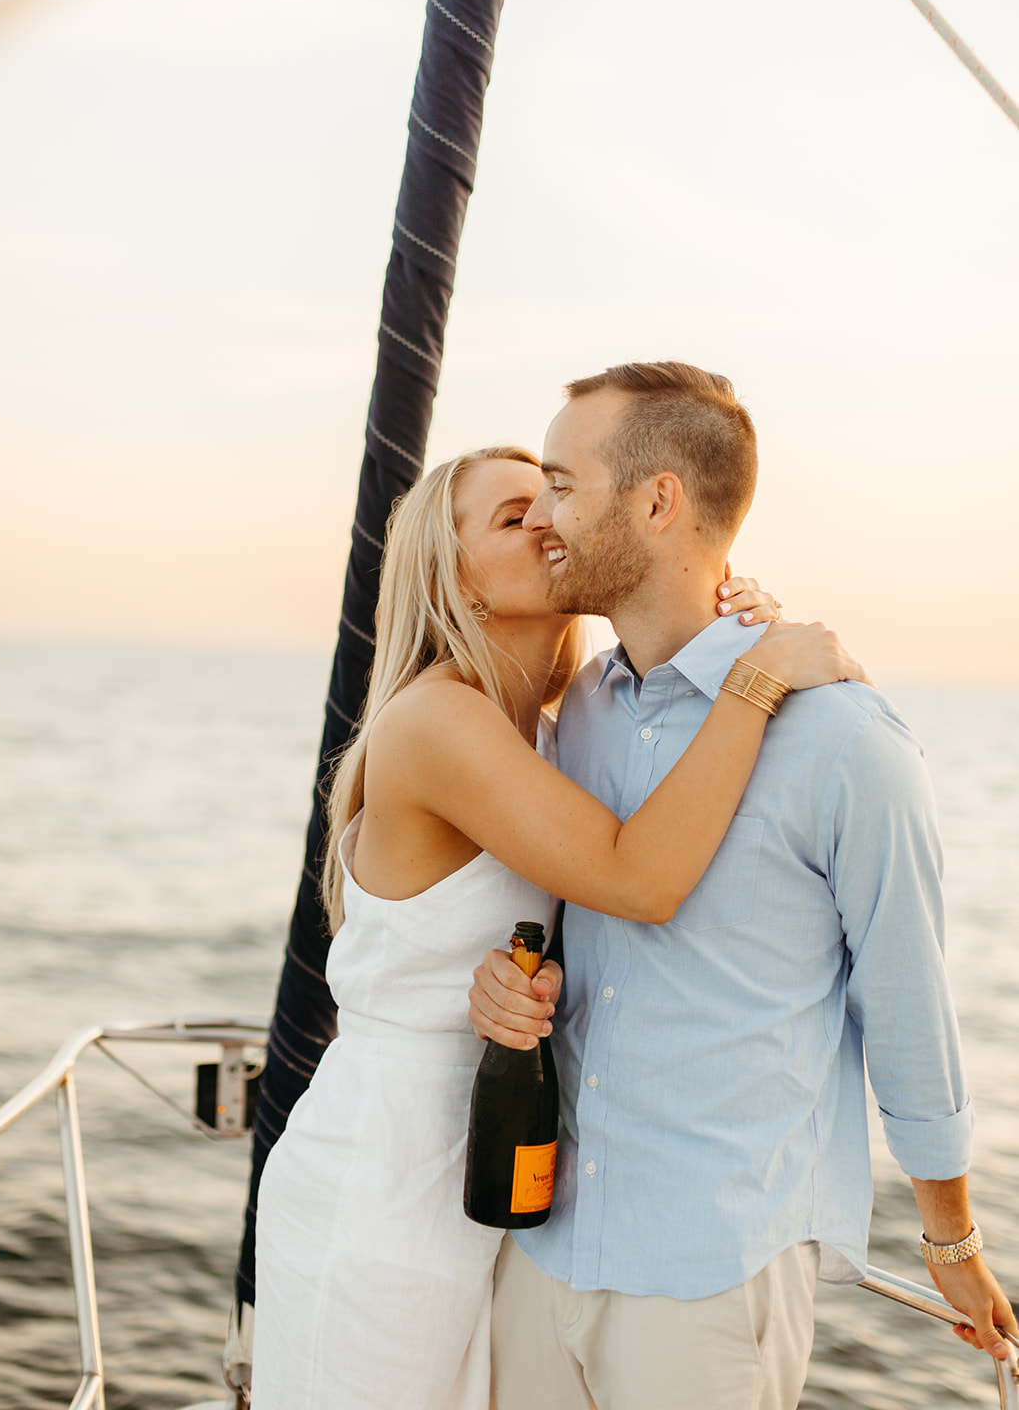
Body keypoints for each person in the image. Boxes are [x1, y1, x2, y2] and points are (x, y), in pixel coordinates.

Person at [249, 442, 864, 1410]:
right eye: (507, 516)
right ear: (446, 572)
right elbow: (638, 879)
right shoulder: (434, 722)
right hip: (385, 1173)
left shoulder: (557, 727)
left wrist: (729, 627)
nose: (547, 521)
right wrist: (753, 683)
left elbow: (609, 913)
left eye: (553, 499)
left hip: (505, 1171)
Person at [469, 362, 1017, 1410]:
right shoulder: (573, 711)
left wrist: (949, 1231)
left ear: (657, 500)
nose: (541, 513)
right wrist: (499, 986)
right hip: (540, 1256)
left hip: (710, 1278)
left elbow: (905, 1001)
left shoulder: (848, 741)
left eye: (561, 483)